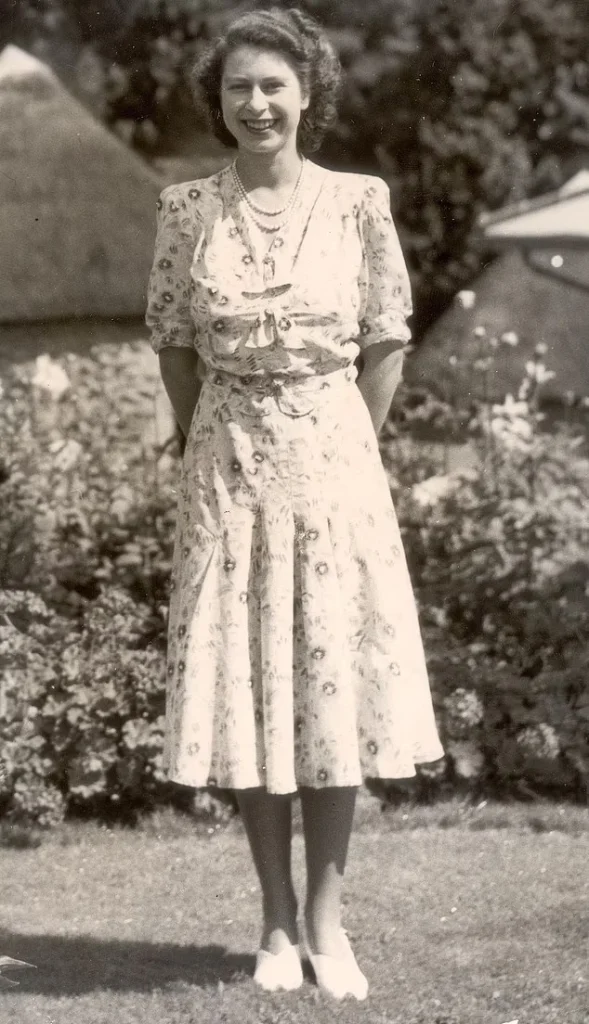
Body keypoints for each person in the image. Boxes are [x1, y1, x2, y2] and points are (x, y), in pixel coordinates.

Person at [145, 6, 444, 1001]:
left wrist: (339, 441)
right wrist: (218, 440)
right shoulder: (185, 208)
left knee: (327, 688)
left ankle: (326, 921)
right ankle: (273, 922)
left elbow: (386, 336)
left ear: (307, 93)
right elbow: (175, 343)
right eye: (238, 87)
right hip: (227, 474)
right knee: (250, 688)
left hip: (334, 474)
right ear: (219, 102)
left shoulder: (359, 201)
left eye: (274, 84)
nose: (257, 103)